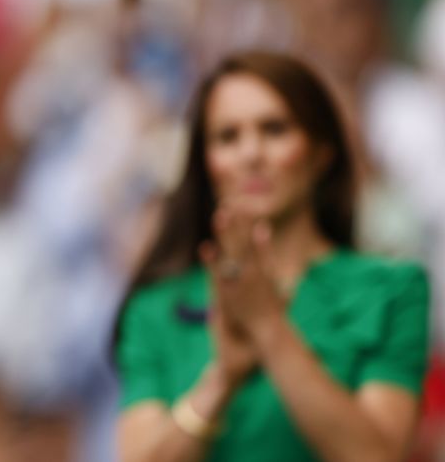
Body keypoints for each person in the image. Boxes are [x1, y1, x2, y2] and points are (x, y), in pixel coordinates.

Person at [114, 50, 429, 461]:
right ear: (206, 163)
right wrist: (222, 380)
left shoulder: (391, 290)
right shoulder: (157, 308)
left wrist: (268, 329)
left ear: (322, 151)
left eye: (275, 130)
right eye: (228, 137)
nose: (251, 154)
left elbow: (375, 456)